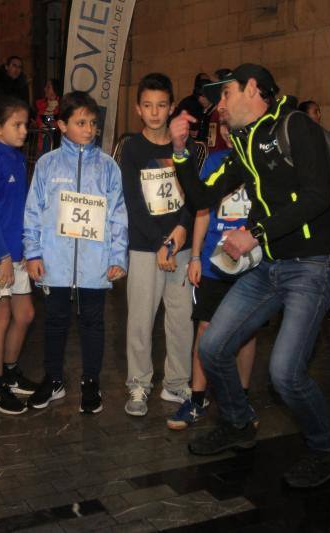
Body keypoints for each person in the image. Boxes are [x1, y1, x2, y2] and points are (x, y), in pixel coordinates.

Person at [171, 63, 330, 488]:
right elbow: (203, 196)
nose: (220, 104)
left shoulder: (295, 126)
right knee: (212, 347)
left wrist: (256, 233)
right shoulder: (245, 145)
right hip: (269, 266)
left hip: (312, 265)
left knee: (285, 373)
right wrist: (179, 151)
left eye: (226, 94)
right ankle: (238, 423)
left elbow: (317, 197)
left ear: (252, 88)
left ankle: (327, 449)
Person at [23, 91, 128, 414]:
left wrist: (117, 257)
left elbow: (118, 215)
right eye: (80, 122)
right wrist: (34, 253)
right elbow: (33, 212)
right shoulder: (47, 164)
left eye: (93, 123)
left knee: (93, 324)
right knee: (54, 322)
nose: (88, 129)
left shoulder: (109, 167)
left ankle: (91, 381)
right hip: (55, 262)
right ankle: (53, 378)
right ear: (62, 125)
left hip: (94, 265)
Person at [168, 122, 257, 430]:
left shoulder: (261, 163)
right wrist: (194, 256)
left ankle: (242, 398)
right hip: (213, 262)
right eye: (230, 130)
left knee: (248, 332)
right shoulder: (217, 162)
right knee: (205, 328)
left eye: (240, 130)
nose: (235, 135)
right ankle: (196, 399)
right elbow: (202, 209)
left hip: (250, 262)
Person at [118, 73, 193, 417]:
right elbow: (133, 204)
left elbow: (194, 196)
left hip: (181, 245)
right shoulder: (132, 148)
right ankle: (138, 383)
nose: (154, 112)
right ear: (138, 108)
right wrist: (161, 243)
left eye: (161, 105)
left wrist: (180, 233)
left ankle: (177, 384)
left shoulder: (182, 146)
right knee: (140, 318)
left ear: (172, 107)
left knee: (181, 318)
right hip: (145, 247)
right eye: (147, 105)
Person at [0, 95, 36, 415]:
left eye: (26, 124)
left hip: (18, 252)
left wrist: (28, 248)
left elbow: (20, 209)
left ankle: (11, 372)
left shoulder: (16, 156)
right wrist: (1, 256)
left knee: (25, 314)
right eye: (17, 125)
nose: (24, 130)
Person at [173, 73, 212, 140]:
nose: (200, 99)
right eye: (198, 96)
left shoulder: (215, 111)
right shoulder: (187, 103)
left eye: (203, 96)